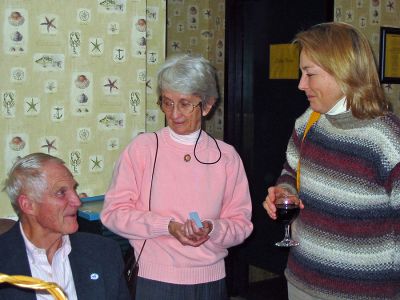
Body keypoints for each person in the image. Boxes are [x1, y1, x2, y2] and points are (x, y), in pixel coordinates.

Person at [263, 21, 400, 299]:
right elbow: (290, 172)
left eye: (309, 74)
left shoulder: (385, 137)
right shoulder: (308, 122)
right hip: (301, 280)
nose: (301, 85)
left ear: (343, 71)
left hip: (364, 291)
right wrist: (284, 191)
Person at [101, 54, 253, 300]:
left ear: (207, 105)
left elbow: (241, 225)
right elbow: (113, 214)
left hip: (211, 281)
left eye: (184, 103)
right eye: (167, 102)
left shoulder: (226, 157)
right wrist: (167, 227)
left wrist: (213, 229)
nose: (174, 114)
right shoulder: (143, 149)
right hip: (155, 280)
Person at [0, 153, 130, 300]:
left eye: (74, 189)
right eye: (61, 193)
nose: (77, 201)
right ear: (28, 205)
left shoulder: (104, 252)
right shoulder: (4, 261)